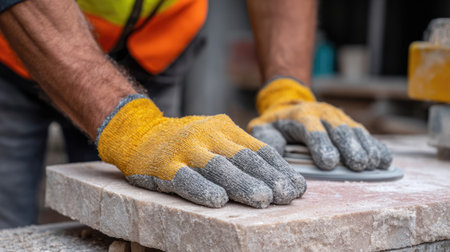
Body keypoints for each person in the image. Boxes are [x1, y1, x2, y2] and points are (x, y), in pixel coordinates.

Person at [0, 0, 392, 229]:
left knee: (135, 220)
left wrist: (286, 88)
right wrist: (129, 124)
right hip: (20, 41)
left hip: (151, 50)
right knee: (8, 216)